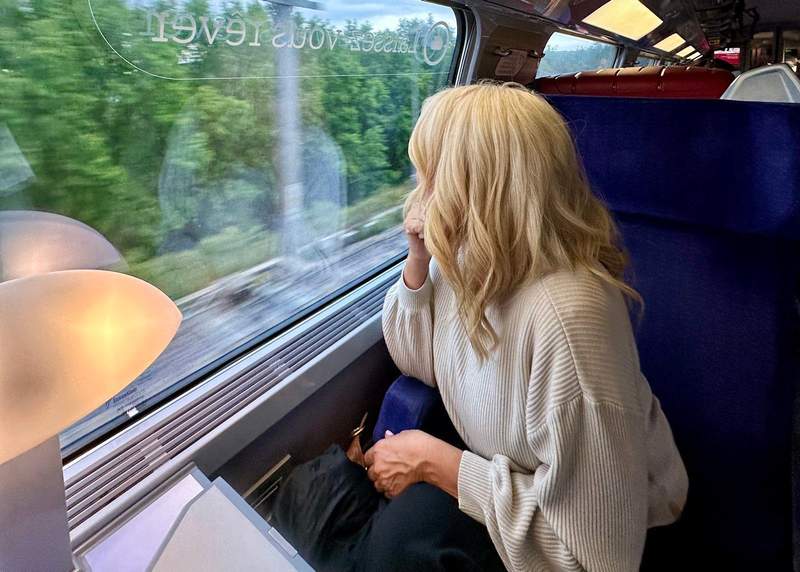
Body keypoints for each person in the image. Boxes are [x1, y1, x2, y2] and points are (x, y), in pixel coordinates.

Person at [364, 82, 688, 571]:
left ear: (480, 190)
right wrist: (418, 258)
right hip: (517, 480)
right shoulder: (469, 263)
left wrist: (438, 464)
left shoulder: (569, 319)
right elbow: (418, 362)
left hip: (612, 530)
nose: (418, 195)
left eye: (431, 177)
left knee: (408, 534)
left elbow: (598, 557)